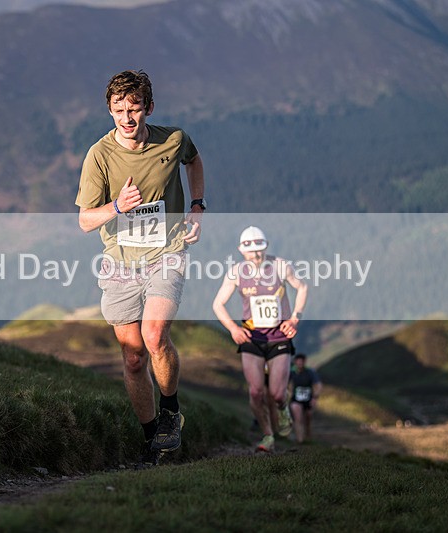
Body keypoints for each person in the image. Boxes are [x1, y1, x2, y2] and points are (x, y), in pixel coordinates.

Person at [76, 70, 206, 467]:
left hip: (166, 252)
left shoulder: (174, 139)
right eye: (119, 110)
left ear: (149, 107)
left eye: (134, 109)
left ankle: (170, 409)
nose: (127, 118)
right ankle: (154, 439)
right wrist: (117, 206)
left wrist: (198, 206)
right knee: (133, 358)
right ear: (110, 110)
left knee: (154, 335)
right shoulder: (99, 155)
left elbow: (194, 160)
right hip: (119, 262)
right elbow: (84, 220)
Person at [212, 226, 308, 453]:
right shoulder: (236, 272)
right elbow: (217, 304)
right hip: (251, 336)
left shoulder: (280, 266)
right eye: (251, 252)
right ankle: (267, 435)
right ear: (241, 251)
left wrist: (295, 318)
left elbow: (302, 287)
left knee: (276, 393)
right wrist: (233, 329)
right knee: (255, 391)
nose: (255, 256)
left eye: (259, 251)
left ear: (265, 248)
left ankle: (282, 408)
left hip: (279, 336)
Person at [289, 353, 322, 443]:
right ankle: (300, 439)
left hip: (308, 399)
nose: (300, 364)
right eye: (298, 362)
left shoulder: (310, 372)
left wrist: (315, 397)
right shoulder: (291, 372)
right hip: (296, 399)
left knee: (308, 418)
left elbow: (318, 384)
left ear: (304, 362)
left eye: (301, 362)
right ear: (295, 362)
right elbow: (284, 383)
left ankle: (308, 436)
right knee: (298, 418)